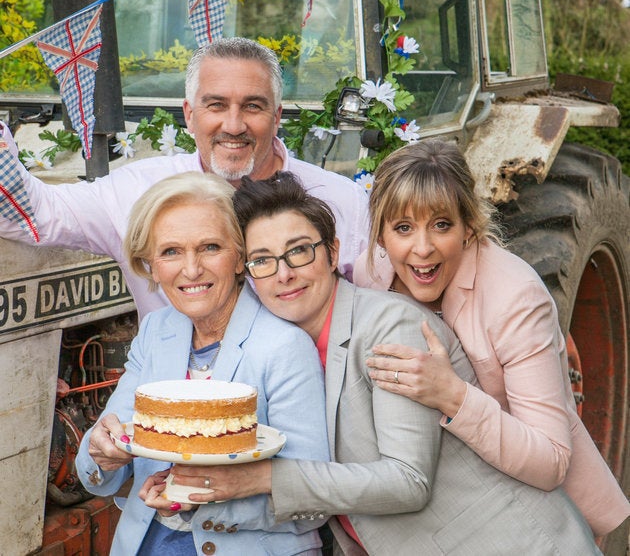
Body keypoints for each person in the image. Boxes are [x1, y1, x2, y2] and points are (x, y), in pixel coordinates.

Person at [148, 172, 600, 555]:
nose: (283, 273)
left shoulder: (389, 328)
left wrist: (261, 479)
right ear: (248, 271)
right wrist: (188, 488)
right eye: (263, 260)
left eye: (299, 251)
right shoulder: (275, 344)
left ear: (331, 251)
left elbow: (407, 482)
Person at [352, 138, 630, 538]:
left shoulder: (516, 297)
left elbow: (550, 461)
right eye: (403, 228)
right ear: (380, 237)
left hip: (530, 508)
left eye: (442, 224)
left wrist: (452, 395)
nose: (423, 248)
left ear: (469, 227)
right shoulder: (371, 274)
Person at [0, 37, 368, 320]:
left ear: (277, 116)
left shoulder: (342, 200)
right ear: (189, 116)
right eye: (216, 105)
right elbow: (34, 215)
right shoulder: (137, 191)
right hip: (172, 407)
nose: (234, 125)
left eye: (253, 106)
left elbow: (384, 307)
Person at [75, 172, 329, 555]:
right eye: (171, 252)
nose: (191, 270)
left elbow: (313, 499)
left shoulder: (284, 345)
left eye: (210, 247)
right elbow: (97, 463)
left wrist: (202, 499)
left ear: (240, 256)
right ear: (151, 265)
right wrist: (103, 454)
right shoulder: (157, 331)